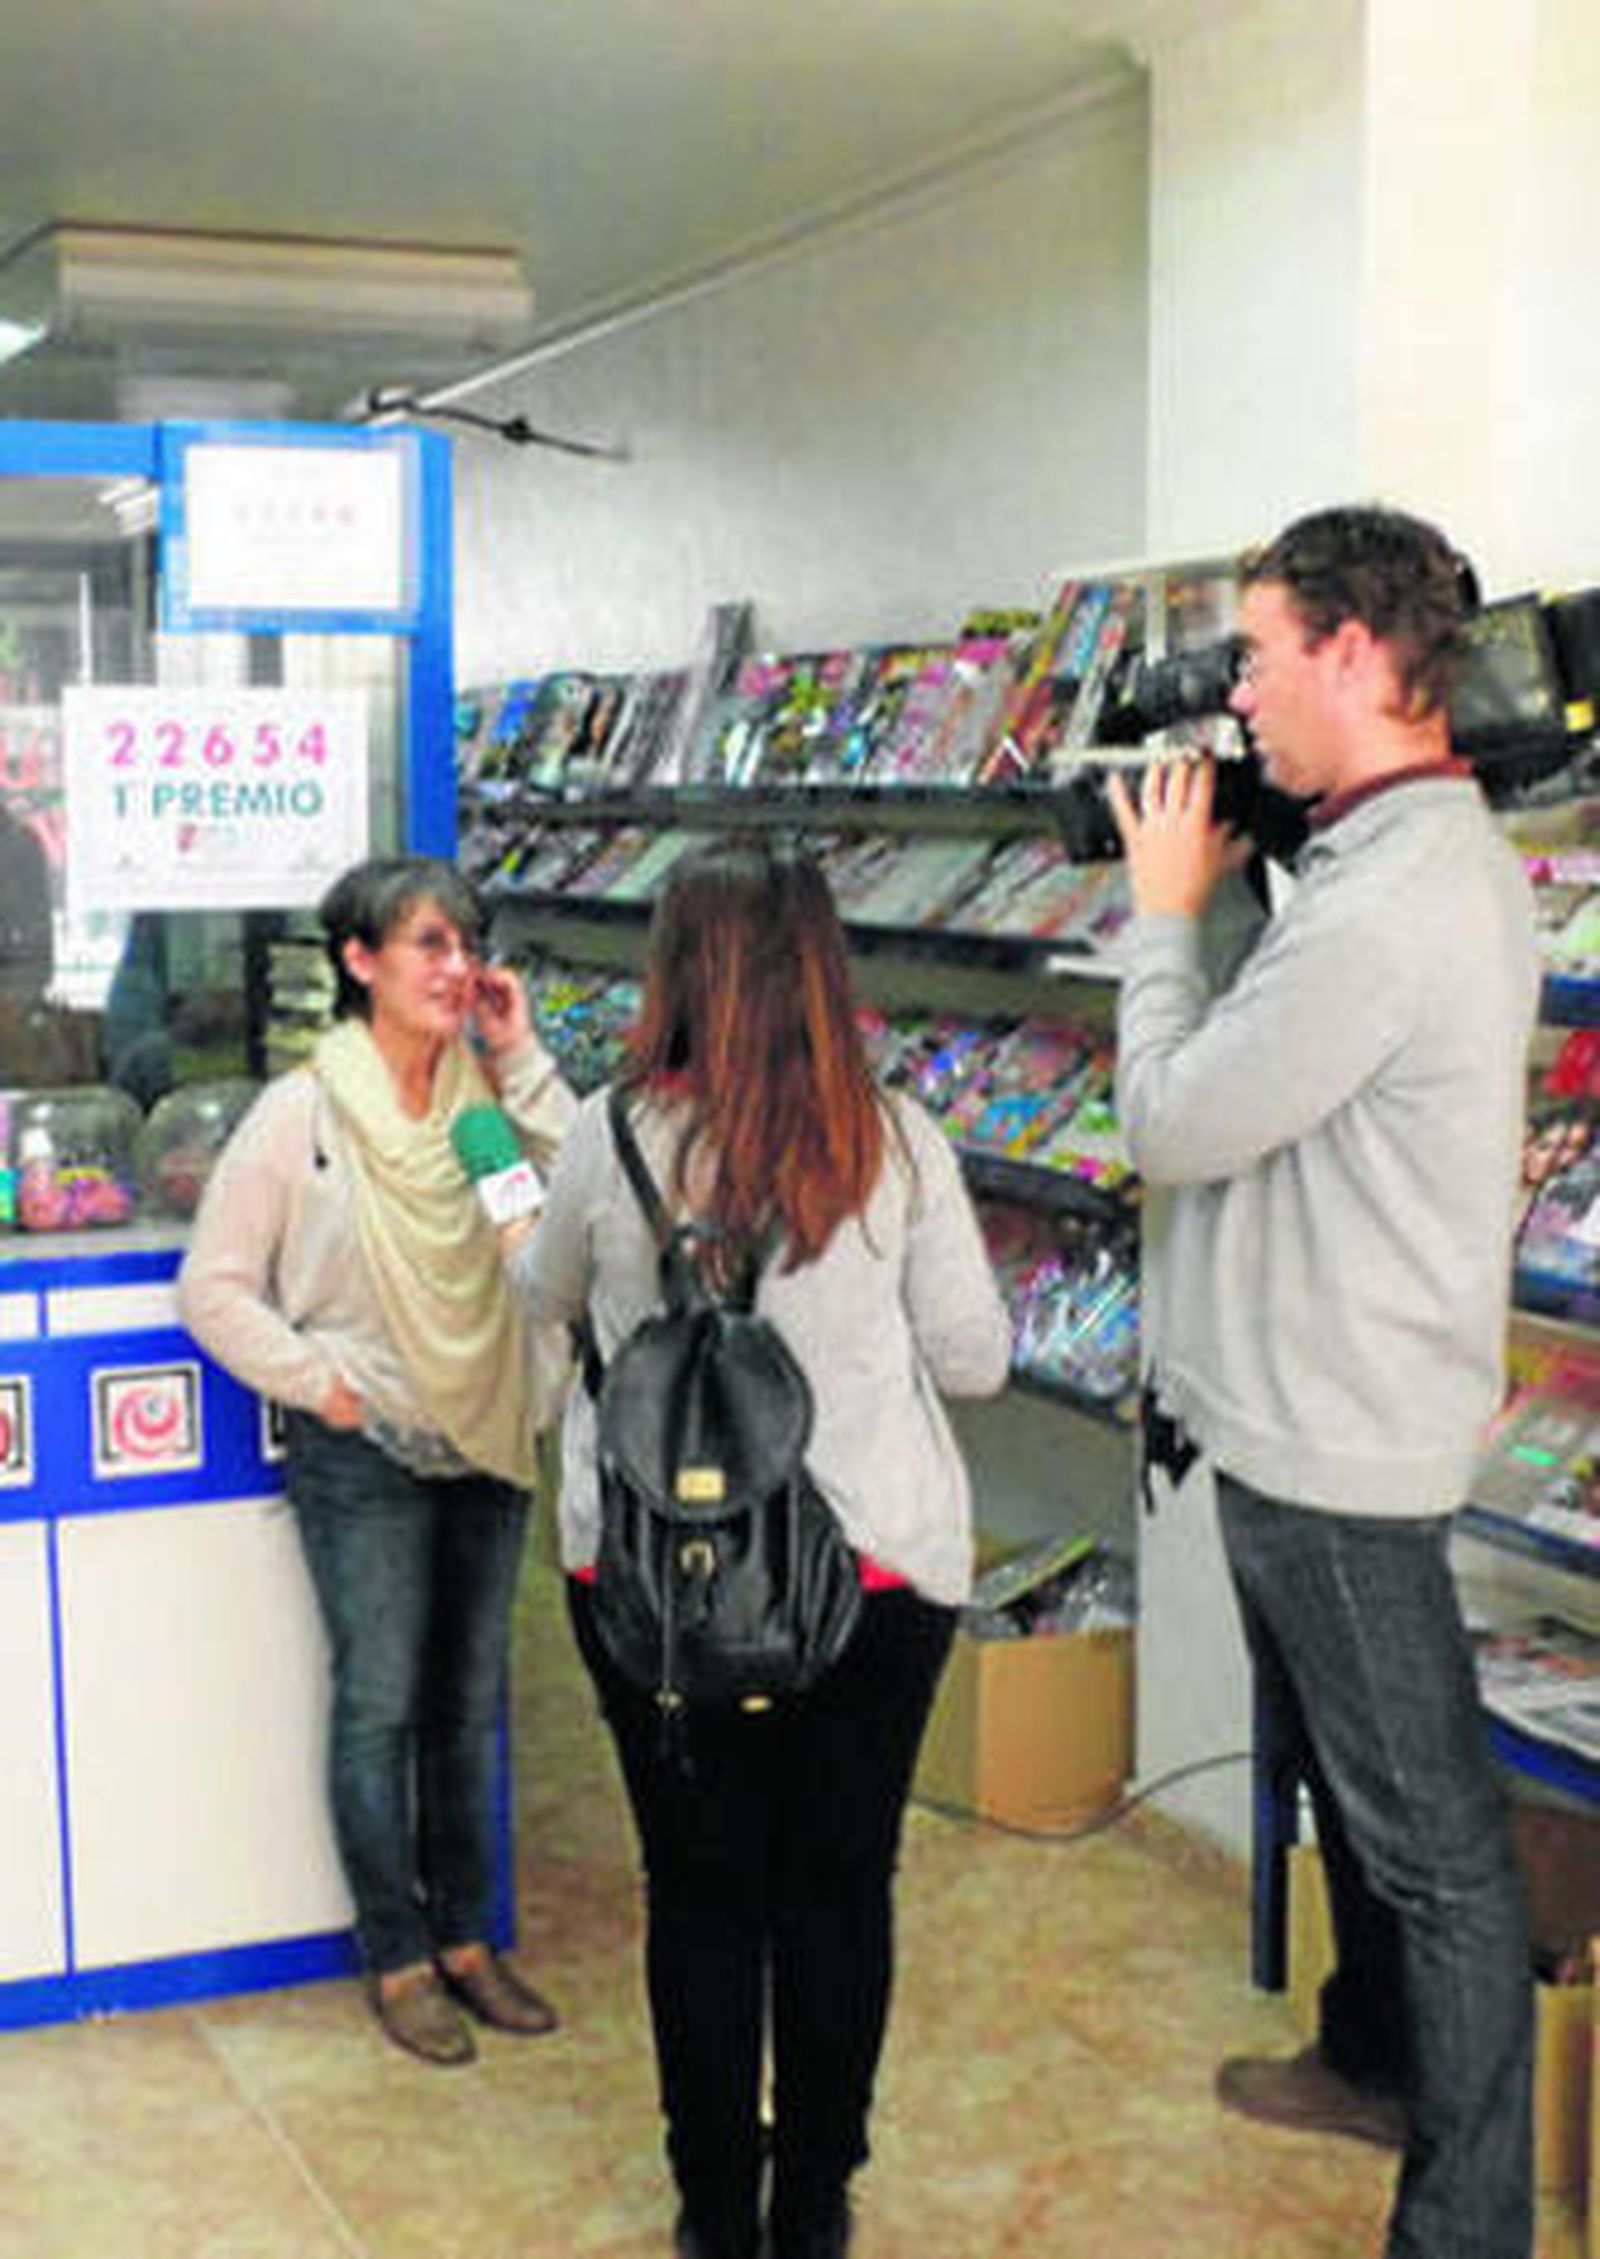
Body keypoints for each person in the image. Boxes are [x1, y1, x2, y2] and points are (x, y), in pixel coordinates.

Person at [1108, 503, 1540, 2259]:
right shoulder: (1378, 859)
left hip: (1344, 1447)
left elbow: (1173, 1118)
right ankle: (1372, 2058)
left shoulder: (1397, 899)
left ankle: (1466, 2225)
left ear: (1357, 656)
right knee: (1363, 1804)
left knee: (1435, 1853)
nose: (1242, 697)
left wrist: (1159, 919)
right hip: (1303, 1415)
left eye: (1264, 654)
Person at [509, 838, 1012, 2259]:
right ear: (822, 968)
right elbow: (972, 1359)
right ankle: (819, 2196)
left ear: (674, 968)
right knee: (842, 1887)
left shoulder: (614, 1140)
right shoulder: (896, 1139)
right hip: (874, 1577)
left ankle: (714, 2200)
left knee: (702, 1891)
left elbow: (544, 1294)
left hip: (652, 1584)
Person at [177, 854, 577, 2067]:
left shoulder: (477, 1109)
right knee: (380, 1705)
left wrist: (522, 1058)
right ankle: (398, 1956)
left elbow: (570, 1221)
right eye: (428, 948)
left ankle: (468, 1942)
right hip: (367, 1450)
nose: (457, 971)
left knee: (466, 1707)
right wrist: (324, 1389)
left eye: (468, 947)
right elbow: (214, 1289)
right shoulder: (301, 1115)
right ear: (359, 963)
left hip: (489, 1426)